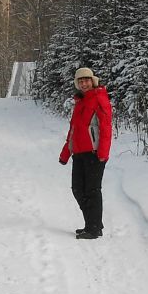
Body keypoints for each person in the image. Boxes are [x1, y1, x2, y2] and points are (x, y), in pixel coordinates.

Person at [58, 67, 113, 239]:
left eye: (86, 80)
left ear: (93, 81)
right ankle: (93, 223)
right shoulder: (80, 101)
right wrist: (65, 153)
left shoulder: (99, 98)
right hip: (79, 153)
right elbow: (74, 130)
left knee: (92, 190)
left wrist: (102, 153)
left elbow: (106, 127)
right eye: (80, 81)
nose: (84, 84)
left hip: (94, 153)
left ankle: (93, 228)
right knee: (77, 189)